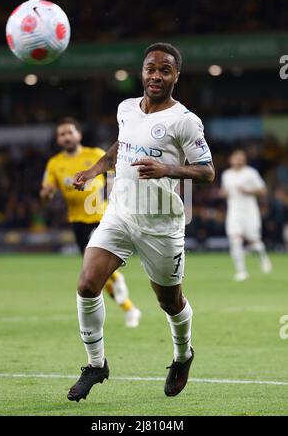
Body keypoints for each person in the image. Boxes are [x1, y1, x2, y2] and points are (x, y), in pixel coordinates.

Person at [67, 43, 215, 402]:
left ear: (176, 76)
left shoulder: (185, 120)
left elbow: (208, 172)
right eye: (151, 69)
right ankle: (96, 365)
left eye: (165, 70)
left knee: (169, 300)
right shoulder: (126, 108)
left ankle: (183, 355)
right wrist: (95, 169)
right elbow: (122, 146)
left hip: (161, 224)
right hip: (120, 214)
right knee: (87, 285)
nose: (156, 76)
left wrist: (168, 169)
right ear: (142, 71)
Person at [40, 117, 141, 327]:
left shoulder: (95, 155)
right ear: (58, 140)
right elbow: (45, 194)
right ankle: (130, 309)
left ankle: (126, 300)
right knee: (95, 275)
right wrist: (47, 194)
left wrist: (116, 198)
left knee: (95, 270)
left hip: (101, 217)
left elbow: (114, 175)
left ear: (78, 134)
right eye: (62, 134)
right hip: (77, 222)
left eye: (69, 132)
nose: (66, 137)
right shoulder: (54, 164)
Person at [221, 149, 272, 281]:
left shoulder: (251, 173)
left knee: (255, 241)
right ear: (231, 159)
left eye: (241, 158)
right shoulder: (226, 175)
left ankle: (263, 257)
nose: (239, 160)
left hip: (250, 210)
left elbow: (263, 191)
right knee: (235, 239)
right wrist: (223, 193)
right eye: (236, 157)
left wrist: (248, 191)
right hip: (234, 211)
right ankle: (241, 271)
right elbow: (225, 191)